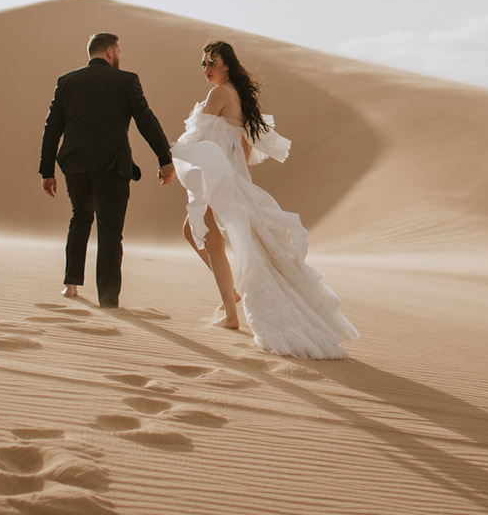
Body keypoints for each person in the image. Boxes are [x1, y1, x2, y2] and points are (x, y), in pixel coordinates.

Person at [169, 41, 357, 359]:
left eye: (211, 62)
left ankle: (231, 308)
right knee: (203, 235)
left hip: (222, 181)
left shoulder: (219, 94)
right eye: (202, 64)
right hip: (230, 179)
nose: (206, 69)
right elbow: (240, 145)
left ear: (226, 64)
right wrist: (244, 183)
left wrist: (170, 159)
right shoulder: (236, 95)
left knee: (208, 239)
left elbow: (197, 137)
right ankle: (231, 296)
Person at [40, 32, 174, 308]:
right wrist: (164, 158)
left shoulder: (66, 82)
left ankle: (71, 285)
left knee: (80, 218)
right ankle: (108, 297)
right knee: (110, 231)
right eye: (119, 52)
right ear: (110, 53)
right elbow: (146, 120)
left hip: (75, 166)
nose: (120, 57)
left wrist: (47, 170)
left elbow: (52, 128)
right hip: (112, 166)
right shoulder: (126, 81)